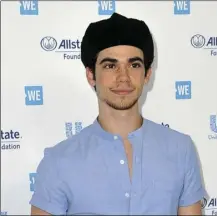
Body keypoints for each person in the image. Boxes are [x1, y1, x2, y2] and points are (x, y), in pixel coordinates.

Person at [30, 12, 206, 215]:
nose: (123, 77)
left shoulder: (181, 150)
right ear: (91, 75)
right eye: (110, 65)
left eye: (134, 65)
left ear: (147, 74)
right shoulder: (58, 162)